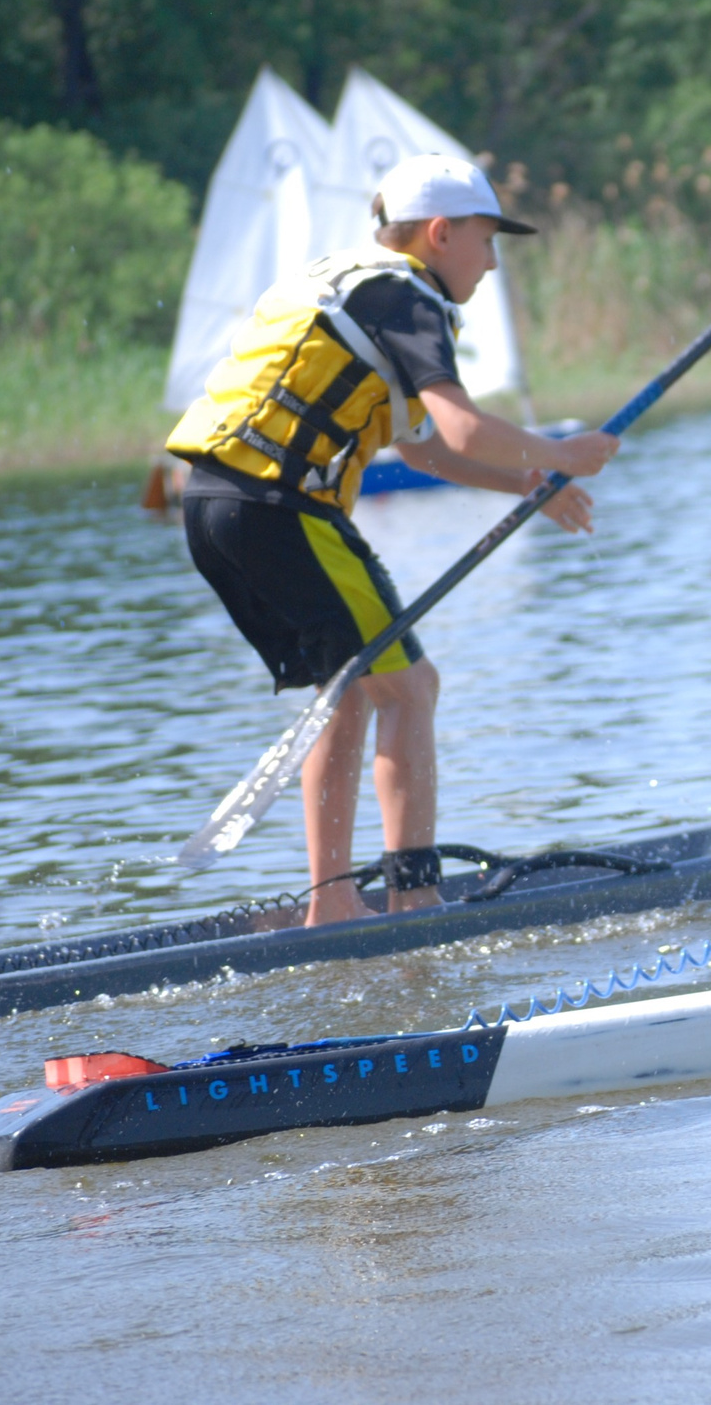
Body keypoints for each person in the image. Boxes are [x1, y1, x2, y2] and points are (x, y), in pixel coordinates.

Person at [166, 154, 619, 926]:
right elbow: (464, 427)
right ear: (440, 234)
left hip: (214, 507)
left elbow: (421, 450)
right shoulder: (408, 298)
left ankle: (333, 904)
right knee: (411, 688)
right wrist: (562, 453)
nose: (493, 260)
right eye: (486, 241)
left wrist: (528, 487)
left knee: (346, 697)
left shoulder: (353, 284)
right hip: (283, 510)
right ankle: (414, 896)